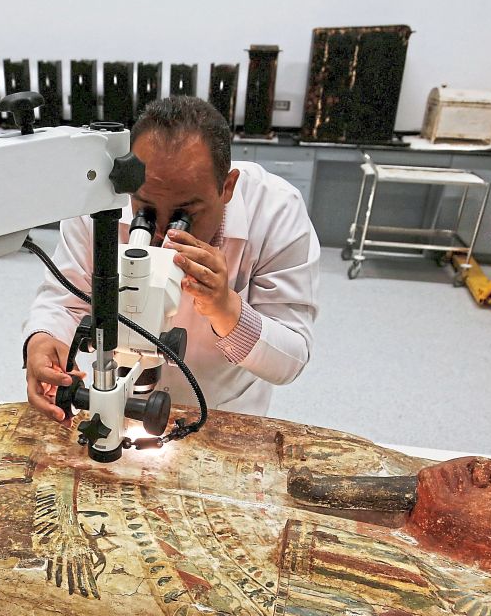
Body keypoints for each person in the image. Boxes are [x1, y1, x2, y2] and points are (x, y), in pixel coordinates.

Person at [22, 96, 320, 422]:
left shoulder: (275, 212)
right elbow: (63, 300)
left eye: (185, 213)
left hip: (225, 414)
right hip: (117, 403)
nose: (162, 234)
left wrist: (226, 309)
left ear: (227, 187)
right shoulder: (97, 202)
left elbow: (291, 360)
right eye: (146, 210)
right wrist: (44, 339)